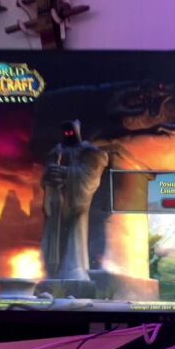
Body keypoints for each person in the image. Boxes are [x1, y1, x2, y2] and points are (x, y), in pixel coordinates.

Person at [41, 120, 108, 280]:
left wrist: (67, 173)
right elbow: (46, 176)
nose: (68, 135)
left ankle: (74, 270)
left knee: (74, 234)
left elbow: (91, 173)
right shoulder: (56, 151)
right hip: (58, 201)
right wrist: (50, 174)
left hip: (75, 200)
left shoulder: (88, 151)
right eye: (66, 132)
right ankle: (54, 272)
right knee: (56, 237)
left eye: (71, 132)